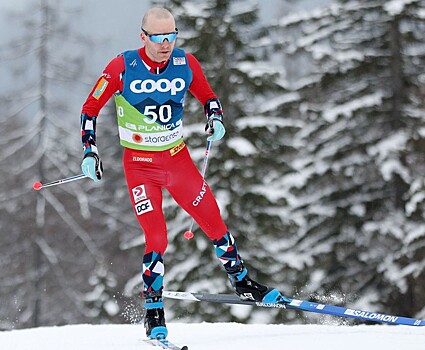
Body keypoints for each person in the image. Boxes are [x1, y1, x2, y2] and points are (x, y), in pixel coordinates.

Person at [79, 7, 283, 340]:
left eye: (172, 36)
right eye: (159, 38)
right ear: (143, 37)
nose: (166, 44)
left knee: (213, 219)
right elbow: (89, 109)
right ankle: (154, 313)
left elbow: (208, 96)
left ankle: (243, 283)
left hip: (177, 160)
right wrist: (90, 150)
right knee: (157, 237)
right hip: (140, 168)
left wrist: (215, 118)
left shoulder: (184, 63)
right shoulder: (121, 67)